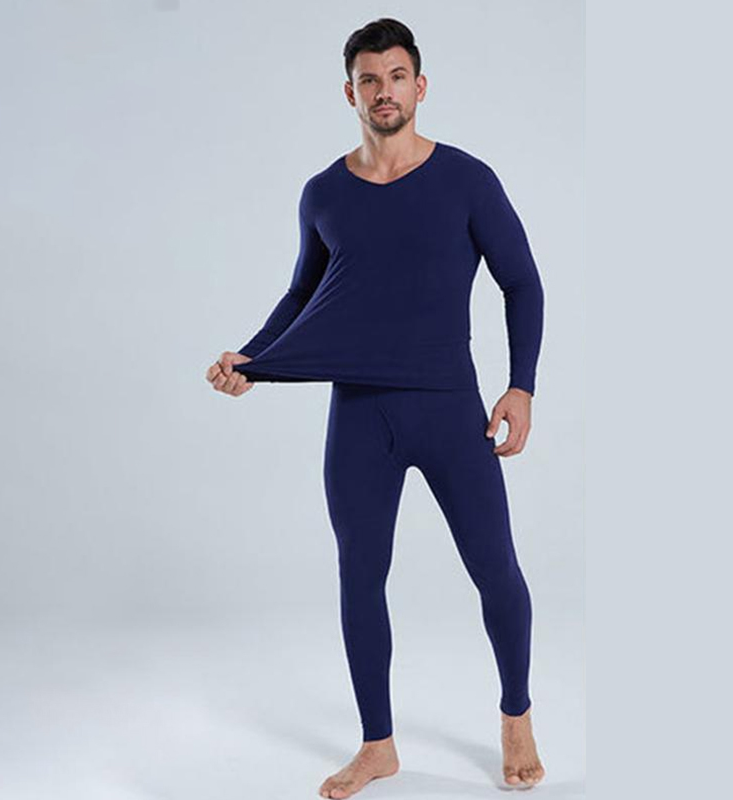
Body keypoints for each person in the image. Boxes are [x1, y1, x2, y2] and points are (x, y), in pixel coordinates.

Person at [205, 18, 546, 799]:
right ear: (350, 93)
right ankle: (378, 745)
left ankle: (517, 715)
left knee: (496, 569)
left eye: (396, 76)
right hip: (361, 416)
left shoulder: (467, 180)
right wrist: (253, 359)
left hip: (450, 411)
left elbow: (522, 282)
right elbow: (305, 295)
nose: (383, 91)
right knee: (360, 576)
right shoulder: (323, 193)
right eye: (369, 79)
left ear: (419, 87)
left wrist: (521, 385)